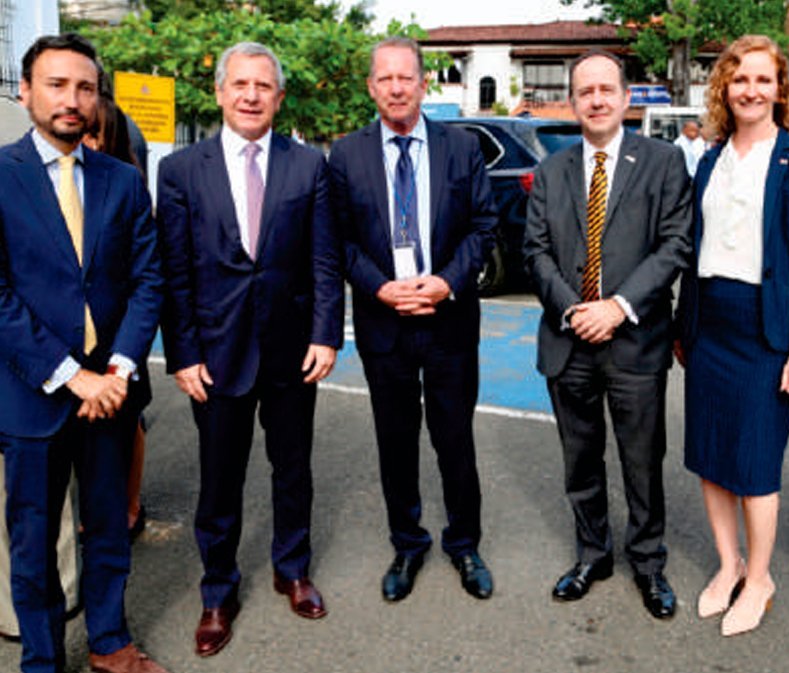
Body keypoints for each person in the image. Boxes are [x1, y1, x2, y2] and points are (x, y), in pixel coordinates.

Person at [155, 41, 343, 657]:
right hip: (215, 351)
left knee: (294, 470)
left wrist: (325, 334)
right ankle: (218, 590)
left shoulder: (309, 165)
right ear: (219, 92)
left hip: (293, 351)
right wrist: (182, 353)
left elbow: (324, 258)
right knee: (219, 480)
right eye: (240, 84)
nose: (251, 95)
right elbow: (175, 271)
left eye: (264, 86)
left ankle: (292, 569)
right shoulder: (181, 171)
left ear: (279, 96)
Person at [0, 33, 166, 673]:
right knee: (35, 541)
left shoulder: (122, 181)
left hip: (111, 395)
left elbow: (148, 280)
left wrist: (119, 370)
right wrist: (75, 378)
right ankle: (42, 660)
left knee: (108, 530)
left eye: (86, 88)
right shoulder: (3, 177)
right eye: (58, 85)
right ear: (27, 92)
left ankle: (110, 643)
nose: (73, 100)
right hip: (33, 395)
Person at [327, 37, 497, 603]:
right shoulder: (345, 155)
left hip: (448, 319)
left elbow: (483, 228)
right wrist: (380, 288)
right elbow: (340, 241)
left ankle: (464, 542)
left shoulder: (461, 148)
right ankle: (407, 542)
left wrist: (446, 281)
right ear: (371, 87)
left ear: (424, 83)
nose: (396, 87)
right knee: (395, 441)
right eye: (385, 79)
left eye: (407, 77)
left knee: (455, 439)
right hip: (384, 323)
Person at [524, 50, 691, 618]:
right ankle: (592, 554)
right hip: (568, 341)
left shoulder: (664, 162)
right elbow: (536, 252)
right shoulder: (551, 169)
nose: (595, 99)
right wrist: (575, 311)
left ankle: (648, 563)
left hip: (634, 341)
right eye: (584, 91)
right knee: (580, 458)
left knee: (642, 461)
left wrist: (617, 307)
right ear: (572, 102)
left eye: (605, 89)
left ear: (625, 98)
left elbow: (675, 245)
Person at [673, 35, 789, 637]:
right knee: (712, 457)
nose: (751, 90)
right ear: (725, 89)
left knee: (757, 465)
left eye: (762, 79)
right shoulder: (711, 158)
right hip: (710, 322)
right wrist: (685, 324)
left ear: (779, 88)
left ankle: (759, 577)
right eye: (740, 80)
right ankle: (728, 563)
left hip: (766, 332)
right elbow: (695, 248)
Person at [0, 93, 81, 643]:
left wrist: (96, 371)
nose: (70, 98)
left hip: (78, 378)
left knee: (47, 530)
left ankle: (85, 634)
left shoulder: (109, 174)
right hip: (29, 373)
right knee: (28, 532)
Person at [81, 75, 149, 541]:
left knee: (128, 418)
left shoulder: (126, 186)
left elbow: (147, 277)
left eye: (93, 133)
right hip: (68, 343)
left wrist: (122, 359)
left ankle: (128, 502)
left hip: (121, 333)